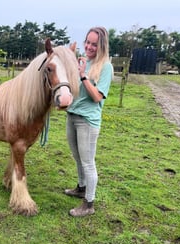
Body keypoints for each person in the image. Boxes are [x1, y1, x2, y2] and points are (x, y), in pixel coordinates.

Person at [64, 27, 113, 217]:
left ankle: (89, 204)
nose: (89, 46)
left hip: (87, 121)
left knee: (88, 162)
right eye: (87, 42)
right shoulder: (84, 61)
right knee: (78, 158)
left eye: (94, 44)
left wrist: (83, 75)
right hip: (72, 116)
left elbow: (97, 97)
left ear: (101, 46)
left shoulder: (105, 67)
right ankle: (81, 187)